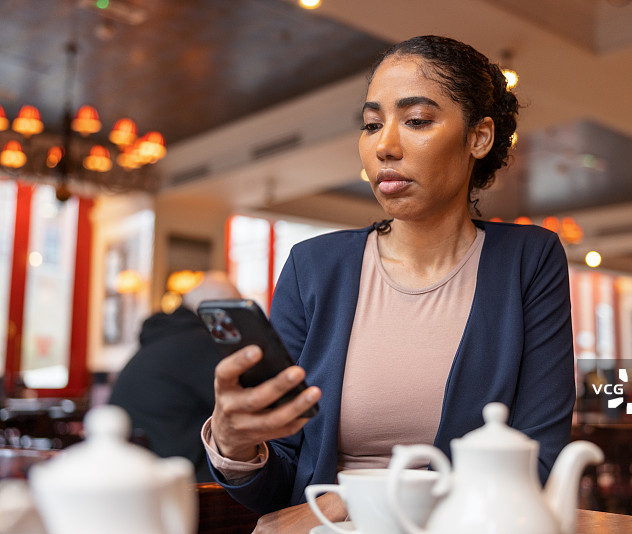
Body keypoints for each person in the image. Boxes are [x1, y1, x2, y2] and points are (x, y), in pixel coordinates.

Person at [203, 35, 575, 532]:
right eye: (372, 124)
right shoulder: (313, 267)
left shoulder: (529, 260)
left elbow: (538, 463)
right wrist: (236, 447)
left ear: (479, 137)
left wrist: (349, 501)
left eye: (416, 120)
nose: (384, 146)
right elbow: (281, 488)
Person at [109, 270, 241, 482]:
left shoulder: (163, 336)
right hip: (174, 478)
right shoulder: (199, 344)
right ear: (219, 311)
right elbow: (239, 405)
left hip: (128, 469)